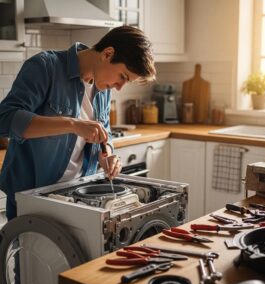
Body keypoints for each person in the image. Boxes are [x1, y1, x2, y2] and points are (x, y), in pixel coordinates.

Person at [0, 25, 156, 222]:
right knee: (34, 253)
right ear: (107, 54)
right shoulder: (45, 67)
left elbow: (103, 132)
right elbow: (5, 119)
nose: (119, 87)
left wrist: (106, 154)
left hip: (79, 196)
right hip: (33, 199)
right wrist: (72, 124)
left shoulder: (102, 86)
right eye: (122, 77)